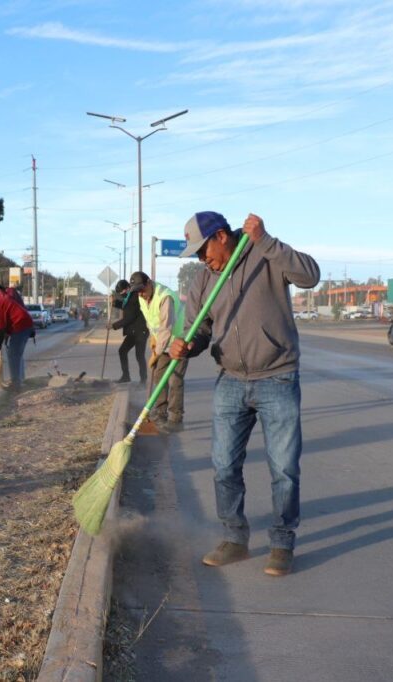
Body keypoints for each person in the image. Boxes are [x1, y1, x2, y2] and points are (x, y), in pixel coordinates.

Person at [169, 211, 319, 577]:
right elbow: (199, 330)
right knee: (223, 466)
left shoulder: (264, 255)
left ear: (221, 236)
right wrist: (186, 345)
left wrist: (266, 241)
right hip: (231, 380)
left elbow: (310, 276)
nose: (202, 258)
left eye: (203, 250)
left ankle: (282, 542)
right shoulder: (203, 280)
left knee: (283, 468)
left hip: (277, 378)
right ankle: (235, 538)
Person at [133, 272, 187, 432]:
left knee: (175, 380)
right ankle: (160, 413)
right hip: (163, 343)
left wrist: (156, 353)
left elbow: (166, 327)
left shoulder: (165, 297)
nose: (141, 294)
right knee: (158, 376)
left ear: (149, 283)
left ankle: (176, 419)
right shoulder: (141, 298)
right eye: (137, 291)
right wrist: (153, 340)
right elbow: (152, 322)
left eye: (142, 289)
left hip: (180, 341)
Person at [0, 282, 34, 391]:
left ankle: (16, 382)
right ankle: (19, 380)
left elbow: (0, 327)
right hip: (19, 325)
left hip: (21, 325)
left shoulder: (9, 293)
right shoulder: (4, 296)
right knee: (15, 354)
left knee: (14, 353)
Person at [110, 278, 150, 385]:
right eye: (120, 293)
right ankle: (126, 376)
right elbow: (125, 305)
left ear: (127, 288)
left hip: (141, 331)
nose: (121, 294)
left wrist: (113, 325)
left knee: (139, 355)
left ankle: (143, 380)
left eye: (122, 292)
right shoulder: (129, 297)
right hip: (133, 332)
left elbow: (129, 317)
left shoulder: (135, 296)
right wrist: (115, 303)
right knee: (122, 351)